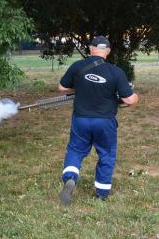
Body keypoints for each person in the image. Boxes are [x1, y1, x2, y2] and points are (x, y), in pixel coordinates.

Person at [58, 36, 138, 205]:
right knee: (106, 155)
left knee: (75, 150)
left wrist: (80, 85)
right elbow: (129, 100)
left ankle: (70, 178)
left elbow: (62, 87)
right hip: (105, 123)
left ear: (90, 49)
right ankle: (101, 193)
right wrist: (135, 96)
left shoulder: (77, 66)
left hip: (81, 119)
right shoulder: (116, 72)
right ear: (107, 52)